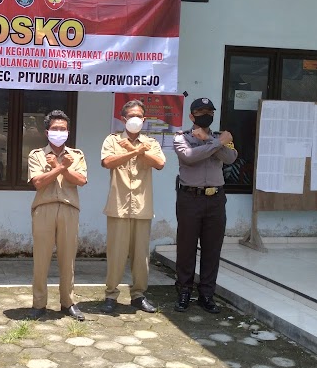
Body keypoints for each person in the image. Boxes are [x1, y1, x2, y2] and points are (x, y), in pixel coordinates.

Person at [100, 99, 166, 314]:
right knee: (116, 254)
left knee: (141, 256)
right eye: (131, 116)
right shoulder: (112, 140)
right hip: (118, 206)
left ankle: (138, 295)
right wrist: (131, 151)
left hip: (142, 206)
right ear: (123, 119)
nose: (135, 120)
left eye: (139, 116)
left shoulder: (151, 142)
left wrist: (140, 151)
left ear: (144, 119)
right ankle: (111, 295)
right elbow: (108, 162)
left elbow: (160, 163)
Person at [173, 97, 238, 314]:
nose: (206, 114)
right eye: (200, 111)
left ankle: (207, 294)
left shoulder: (220, 136)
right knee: (186, 247)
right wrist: (216, 144)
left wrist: (213, 141)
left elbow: (230, 158)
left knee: (212, 248)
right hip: (190, 198)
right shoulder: (181, 137)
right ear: (191, 116)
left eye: (209, 110)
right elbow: (190, 157)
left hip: (216, 199)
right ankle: (184, 291)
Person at [27, 110, 88, 321]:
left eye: (62, 129)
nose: (59, 132)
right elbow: (38, 182)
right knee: (41, 259)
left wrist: (61, 168)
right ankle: (39, 303)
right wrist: (61, 167)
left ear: (68, 132)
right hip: (44, 208)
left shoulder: (76, 155)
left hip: (69, 208)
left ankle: (68, 302)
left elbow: (80, 180)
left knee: (68, 258)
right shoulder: (36, 155)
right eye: (55, 129)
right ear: (47, 132)